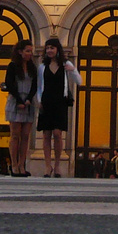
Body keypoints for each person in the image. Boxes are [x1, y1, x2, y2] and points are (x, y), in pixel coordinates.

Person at [36, 36, 83, 177]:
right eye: (47, 48)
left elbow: (79, 81)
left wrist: (73, 69)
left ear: (57, 50)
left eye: (52, 48)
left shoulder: (65, 64)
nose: (49, 50)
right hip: (46, 101)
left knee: (57, 134)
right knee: (46, 134)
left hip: (60, 102)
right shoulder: (42, 67)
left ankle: (57, 165)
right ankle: (47, 166)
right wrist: (39, 101)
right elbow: (39, 86)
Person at [1, 41, 38, 176]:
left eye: (30, 51)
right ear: (20, 52)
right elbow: (9, 83)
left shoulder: (32, 67)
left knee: (26, 135)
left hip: (28, 102)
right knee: (15, 135)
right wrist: (19, 100)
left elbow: (35, 84)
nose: (30, 53)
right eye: (27, 51)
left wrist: (28, 99)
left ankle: (22, 164)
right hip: (16, 100)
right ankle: (14, 165)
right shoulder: (12, 66)